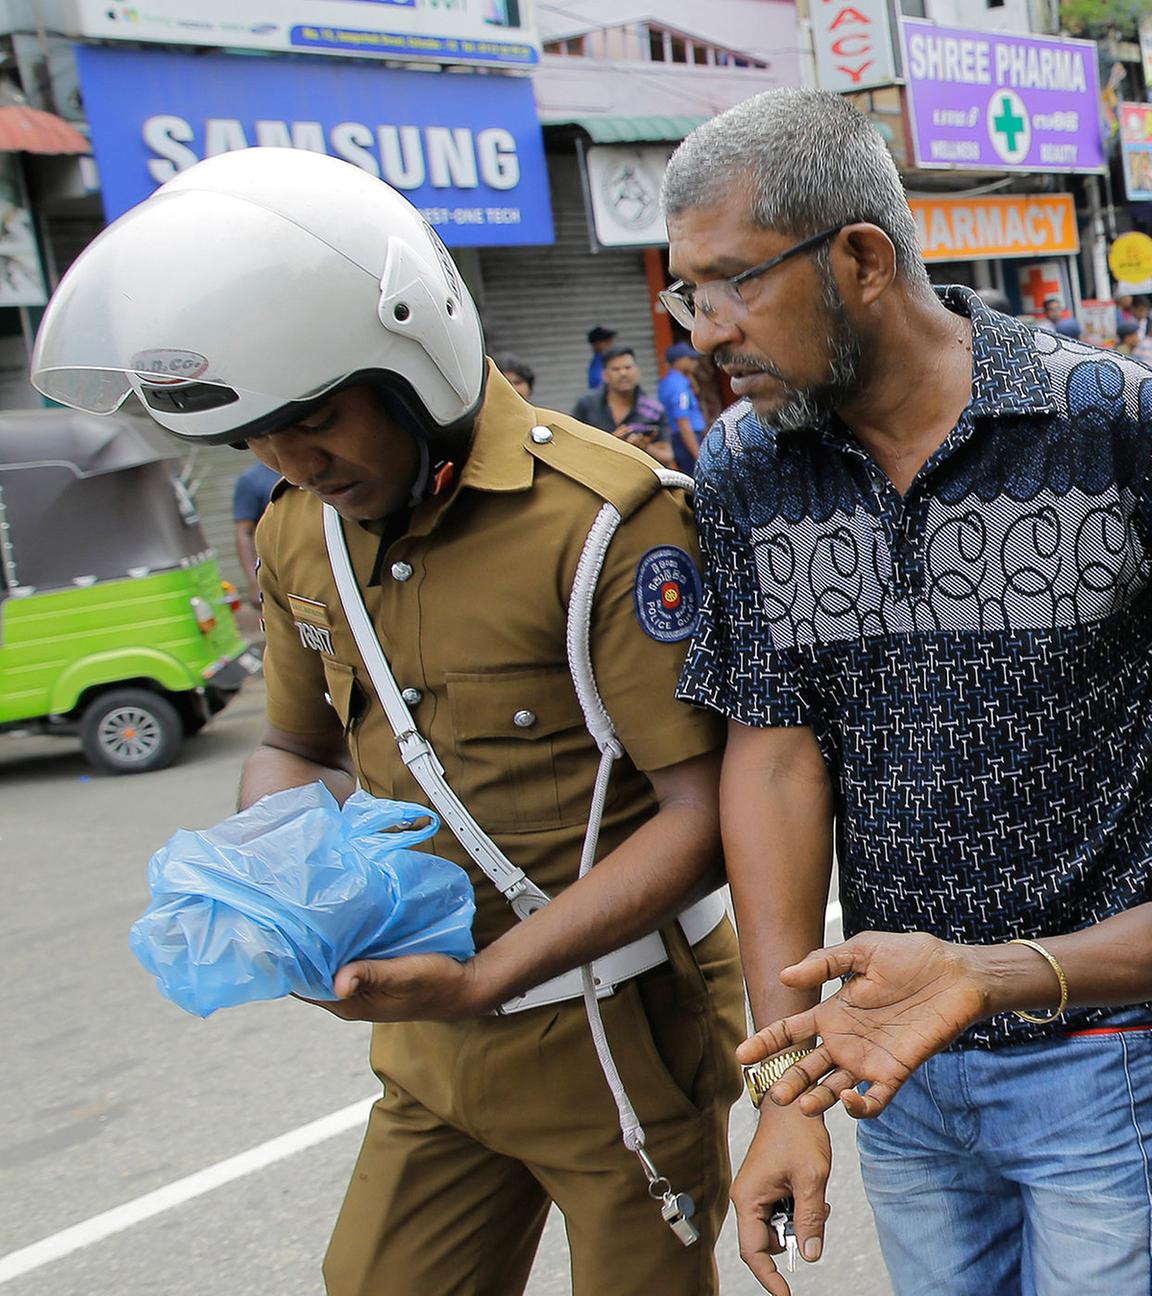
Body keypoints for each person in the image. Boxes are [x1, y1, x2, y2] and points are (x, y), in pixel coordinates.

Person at [31, 148, 744, 1296]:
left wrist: (487, 975)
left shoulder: (610, 523)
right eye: (252, 438)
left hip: (619, 1027)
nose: (288, 461)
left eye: (314, 417)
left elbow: (704, 813)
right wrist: (279, 888)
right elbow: (294, 747)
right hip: (431, 1037)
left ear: (415, 359)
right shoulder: (294, 532)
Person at [660, 87, 1152, 1296]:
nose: (703, 331)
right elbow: (774, 756)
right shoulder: (744, 467)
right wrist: (785, 1083)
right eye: (686, 295)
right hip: (900, 1072)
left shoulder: (1108, 424)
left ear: (863, 260)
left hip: (1110, 1054)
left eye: (729, 286)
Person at [737, 903, 1152, 1121]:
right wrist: (783, 1108)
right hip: (892, 1080)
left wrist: (981, 975)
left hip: (1104, 1052)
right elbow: (777, 765)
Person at [572, 345, 672, 465]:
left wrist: (644, 448)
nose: (623, 373)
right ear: (605, 375)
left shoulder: (653, 410)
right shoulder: (586, 405)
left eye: (628, 367)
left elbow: (668, 457)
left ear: (637, 371)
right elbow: (571, 448)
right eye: (616, 369)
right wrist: (612, 444)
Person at [232, 459, 282, 608]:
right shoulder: (252, 480)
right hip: (278, 572)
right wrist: (254, 581)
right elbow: (243, 533)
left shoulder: (307, 467)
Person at [658, 340, 707, 473]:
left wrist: (688, 374)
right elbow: (683, 422)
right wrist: (699, 455)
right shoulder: (678, 386)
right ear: (678, 361)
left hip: (682, 439)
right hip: (687, 440)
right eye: (690, 359)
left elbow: (695, 391)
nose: (695, 363)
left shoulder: (671, 380)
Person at [586, 324, 617, 388]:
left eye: (610, 341)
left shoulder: (609, 360)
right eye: (606, 341)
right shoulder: (599, 366)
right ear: (596, 344)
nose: (610, 344)